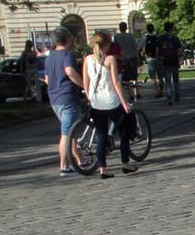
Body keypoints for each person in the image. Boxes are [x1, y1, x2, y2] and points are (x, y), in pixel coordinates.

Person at [82, 28, 136, 178]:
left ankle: (103, 169)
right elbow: (116, 83)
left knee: (101, 136)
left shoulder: (87, 59)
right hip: (112, 101)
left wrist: (89, 98)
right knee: (124, 132)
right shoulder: (110, 59)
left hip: (96, 103)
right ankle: (125, 163)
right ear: (106, 45)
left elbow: (85, 83)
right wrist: (124, 102)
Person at [43, 28, 83, 178]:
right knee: (66, 133)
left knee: (71, 131)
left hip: (54, 99)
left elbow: (47, 78)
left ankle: (80, 162)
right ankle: (64, 166)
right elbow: (70, 72)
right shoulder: (67, 55)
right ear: (68, 39)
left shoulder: (50, 57)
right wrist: (84, 85)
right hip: (67, 97)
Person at [113, 21, 142, 100]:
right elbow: (135, 48)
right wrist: (138, 59)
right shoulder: (131, 36)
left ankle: (130, 94)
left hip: (123, 59)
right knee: (134, 76)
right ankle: (137, 92)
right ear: (126, 28)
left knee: (126, 78)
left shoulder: (117, 37)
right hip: (132, 58)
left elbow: (116, 48)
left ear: (120, 28)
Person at [156, 23, 182, 103]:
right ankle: (177, 96)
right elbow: (179, 50)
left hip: (165, 61)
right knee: (176, 80)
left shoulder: (160, 39)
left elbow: (157, 50)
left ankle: (169, 97)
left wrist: (158, 59)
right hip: (174, 61)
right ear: (171, 29)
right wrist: (178, 58)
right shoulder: (175, 39)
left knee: (167, 81)